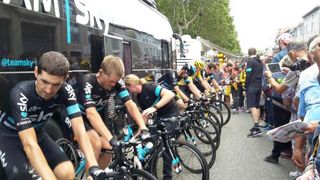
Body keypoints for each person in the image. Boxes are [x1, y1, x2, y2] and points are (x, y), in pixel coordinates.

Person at [0, 51, 107, 179]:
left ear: (65, 78)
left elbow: (80, 132)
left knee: (67, 172)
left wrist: (94, 167)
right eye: (44, 82)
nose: (48, 90)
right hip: (8, 136)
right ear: (36, 72)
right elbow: (30, 144)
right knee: (21, 177)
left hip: (38, 133)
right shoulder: (21, 93)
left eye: (56, 84)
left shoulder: (66, 91)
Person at [77, 55, 149, 168]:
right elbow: (91, 114)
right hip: (78, 116)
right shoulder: (87, 82)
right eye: (111, 81)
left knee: (109, 148)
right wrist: (111, 139)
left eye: (115, 82)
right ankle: (91, 176)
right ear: (101, 72)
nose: (113, 85)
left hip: (95, 116)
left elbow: (130, 104)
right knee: (96, 143)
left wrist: (143, 128)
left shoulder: (117, 83)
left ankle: (100, 174)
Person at [124, 74, 180, 180]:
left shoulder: (150, 86)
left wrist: (155, 107)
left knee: (165, 145)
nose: (129, 91)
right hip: (160, 117)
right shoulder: (139, 97)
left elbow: (170, 94)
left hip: (172, 115)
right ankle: (149, 174)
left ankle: (167, 177)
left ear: (131, 85)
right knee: (151, 144)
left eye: (128, 88)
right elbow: (145, 116)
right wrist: (140, 131)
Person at [245, 47, 264, 137]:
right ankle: (256, 124)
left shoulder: (250, 61)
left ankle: (256, 127)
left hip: (252, 85)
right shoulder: (260, 62)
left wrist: (246, 86)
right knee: (257, 106)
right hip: (259, 85)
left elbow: (248, 74)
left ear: (249, 53)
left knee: (252, 106)